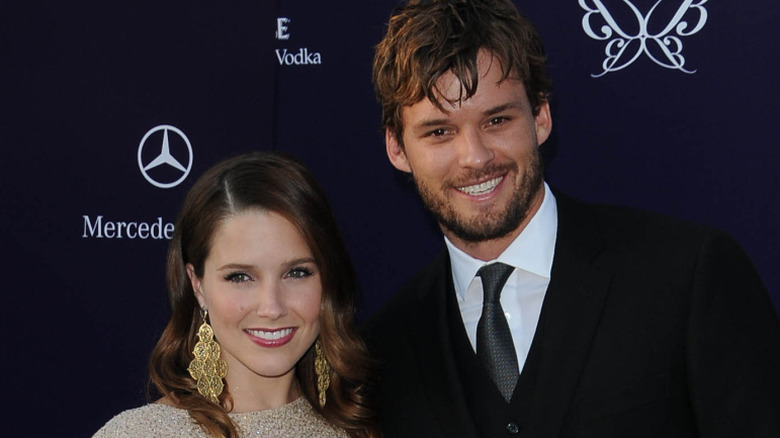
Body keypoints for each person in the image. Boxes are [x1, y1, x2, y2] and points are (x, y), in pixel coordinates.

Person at [364, 0, 780, 437]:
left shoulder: (688, 277)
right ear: (397, 149)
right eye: (439, 132)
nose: (475, 157)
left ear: (540, 118)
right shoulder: (384, 348)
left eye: (497, 120)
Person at [94, 151, 380, 438]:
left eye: (296, 273)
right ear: (197, 285)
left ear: (328, 279)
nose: (271, 307)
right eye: (240, 277)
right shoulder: (137, 434)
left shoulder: (364, 427)